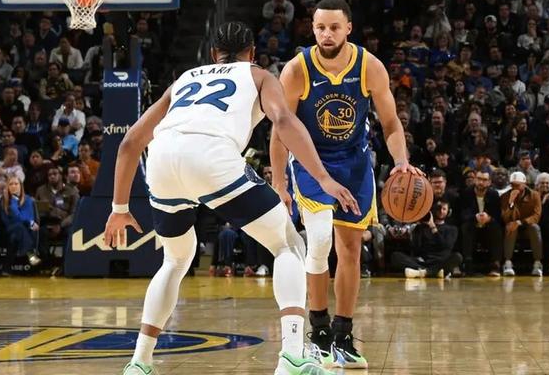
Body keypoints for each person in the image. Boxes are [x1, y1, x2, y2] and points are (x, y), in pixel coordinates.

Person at [104, 22, 358, 375]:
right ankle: (293, 355)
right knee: (288, 246)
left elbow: (131, 141)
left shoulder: (185, 79)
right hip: (211, 155)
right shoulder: (258, 76)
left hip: (162, 158)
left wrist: (119, 208)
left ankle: (139, 362)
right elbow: (283, 121)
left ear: (213, 54)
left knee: (176, 261)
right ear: (252, 53)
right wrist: (323, 177)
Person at [269, 0, 421, 369]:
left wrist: (402, 162)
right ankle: (318, 331)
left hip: (354, 164)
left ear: (348, 28)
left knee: (351, 249)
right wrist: (279, 181)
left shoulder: (369, 66)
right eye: (320, 27)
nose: (326, 34)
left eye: (334, 27)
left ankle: (343, 335)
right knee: (319, 241)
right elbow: (280, 131)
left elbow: (390, 124)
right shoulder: (297, 69)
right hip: (310, 162)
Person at [1, 175, 41, 271]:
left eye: (16, 184)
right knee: (18, 227)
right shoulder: (4, 201)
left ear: (20, 186)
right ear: (7, 187)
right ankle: (31, 254)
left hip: (22, 231)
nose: (14, 186)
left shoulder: (28, 200)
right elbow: (7, 220)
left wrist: (28, 222)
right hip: (9, 229)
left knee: (17, 234)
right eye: (11, 184)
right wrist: (13, 201)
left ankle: (7, 268)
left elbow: (29, 217)